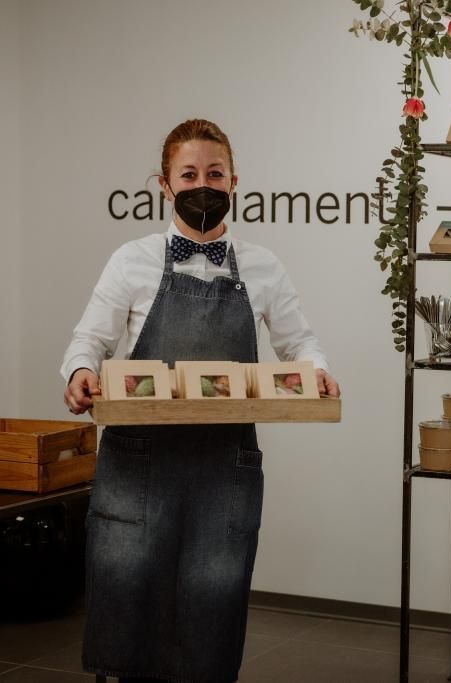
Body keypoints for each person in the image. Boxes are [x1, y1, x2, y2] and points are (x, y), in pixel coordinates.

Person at [61, 119, 340, 683]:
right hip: (140, 464)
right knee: (129, 601)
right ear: (164, 185)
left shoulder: (262, 267)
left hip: (222, 465)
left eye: (214, 173)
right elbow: (87, 342)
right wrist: (81, 373)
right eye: (188, 174)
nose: (202, 184)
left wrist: (319, 374)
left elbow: (300, 343)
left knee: (211, 606)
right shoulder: (130, 261)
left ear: (235, 181)